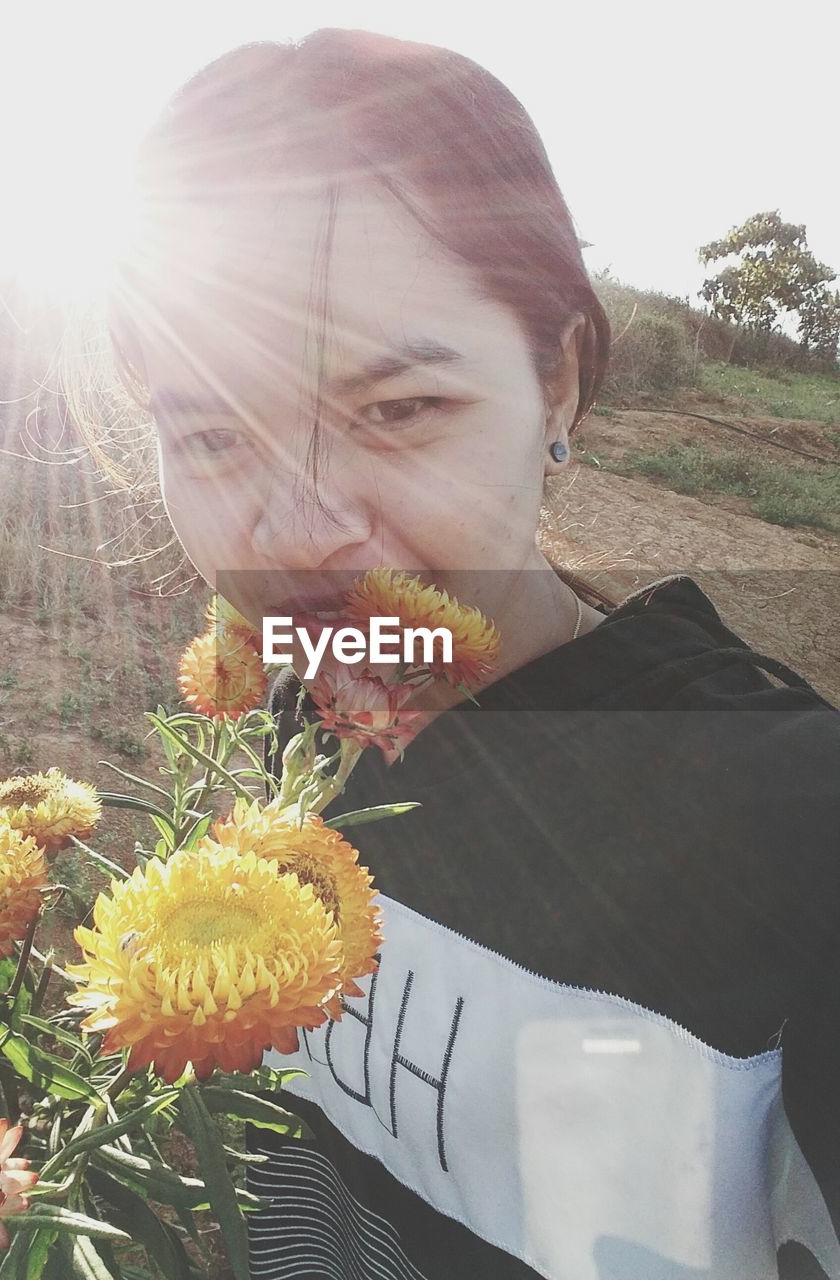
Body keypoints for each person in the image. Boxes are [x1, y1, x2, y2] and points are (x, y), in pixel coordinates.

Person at [89, 28, 840, 1280]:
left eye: (396, 410)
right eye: (215, 434)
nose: (300, 534)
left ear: (560, 383)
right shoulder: (298, 741)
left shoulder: (790, 829)